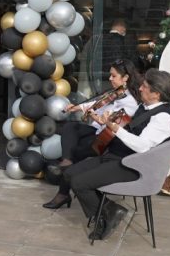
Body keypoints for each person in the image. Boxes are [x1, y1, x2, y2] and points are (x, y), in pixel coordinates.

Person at [65, 69, 170, 241]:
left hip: (135, 167)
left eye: (144, 86)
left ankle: (103, 218)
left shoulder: (164, 118)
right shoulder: (146, 107)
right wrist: (104, 122)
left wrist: (115, 129)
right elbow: (129, 128)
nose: (139, 88)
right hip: (119, 157)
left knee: (79, 183)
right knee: (69, 173)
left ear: (156, 94)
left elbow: (142, 146)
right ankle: (111, 210)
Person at [43, 59, 141, 209]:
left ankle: (63, 192)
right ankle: (66, 162)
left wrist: (95, 117)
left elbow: (112, 125)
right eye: (110, 75)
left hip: (107, 140)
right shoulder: (118, 92)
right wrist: (77, 108)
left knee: (75, 151)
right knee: (70, 127)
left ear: (126, 78)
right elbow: (99, 104)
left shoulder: (131, 103)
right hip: (98, 131)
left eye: (114, 76)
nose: (110, 78)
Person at [90, 18, 138, 91]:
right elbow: (118, 61)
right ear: (122, 27)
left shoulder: (99, 39)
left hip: (100, 77)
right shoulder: (118, 41)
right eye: (125, 28)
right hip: (114, 78)